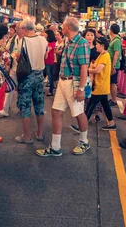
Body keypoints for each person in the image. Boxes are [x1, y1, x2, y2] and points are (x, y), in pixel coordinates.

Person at [37, 17, 91, 157]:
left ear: (68, 28)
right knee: (56, 111)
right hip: (62, 81)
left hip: (74, 83)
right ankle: (55, 147)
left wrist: (81, 89)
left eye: (63, 27)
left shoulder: (82, 43)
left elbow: (84, 68)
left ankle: (84, 142)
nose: (61, 29)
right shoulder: (68, 41)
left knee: (79, 113)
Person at [72, 36, 116, 131]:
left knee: (90, 106)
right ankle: (112, 123)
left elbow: (97, 70)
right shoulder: (101, 55)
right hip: (101, 86)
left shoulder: (105, 55)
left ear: (102, 45)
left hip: (100, 86)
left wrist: (86, 70)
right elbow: (95, 66)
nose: (96, 46)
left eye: (97, 44)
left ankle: (82, 126)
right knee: (105, 105)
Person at [15, 20, 48, 144]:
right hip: (40, 76)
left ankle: (27, 136)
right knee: (39, 105)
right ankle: (39, 133)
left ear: (24, 29)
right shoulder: (43, 40)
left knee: (25, 106)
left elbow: (18, 58)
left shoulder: (22, 41)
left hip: (27, 77)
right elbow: (45, 56)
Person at [0, 22, 24, 117]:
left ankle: (22, 106)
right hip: (14, 68)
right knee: (10, 88)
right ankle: (5, 109)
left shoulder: (27, 39)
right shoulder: (13, 39)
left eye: (17, 28)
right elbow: (6, 49)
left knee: (23, 89)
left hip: (25, 69)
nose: (16, 30)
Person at [108, 24, 122, 107]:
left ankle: (114, 100)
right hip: (112, 64)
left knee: (113, 83)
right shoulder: (115, 40)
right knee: (111, 83)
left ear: (111, 30)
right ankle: (113, 98)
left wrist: (113, 66)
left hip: (114, 66)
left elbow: (116, 54)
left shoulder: (116, 40)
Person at [45, 29, 57, 97]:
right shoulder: (49, 42)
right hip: (47, 61)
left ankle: (51, 90)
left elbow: (47, 50)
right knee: (49, 76)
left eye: (46, 34)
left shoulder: (52, 43)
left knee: (50, 76)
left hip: (50, 61)